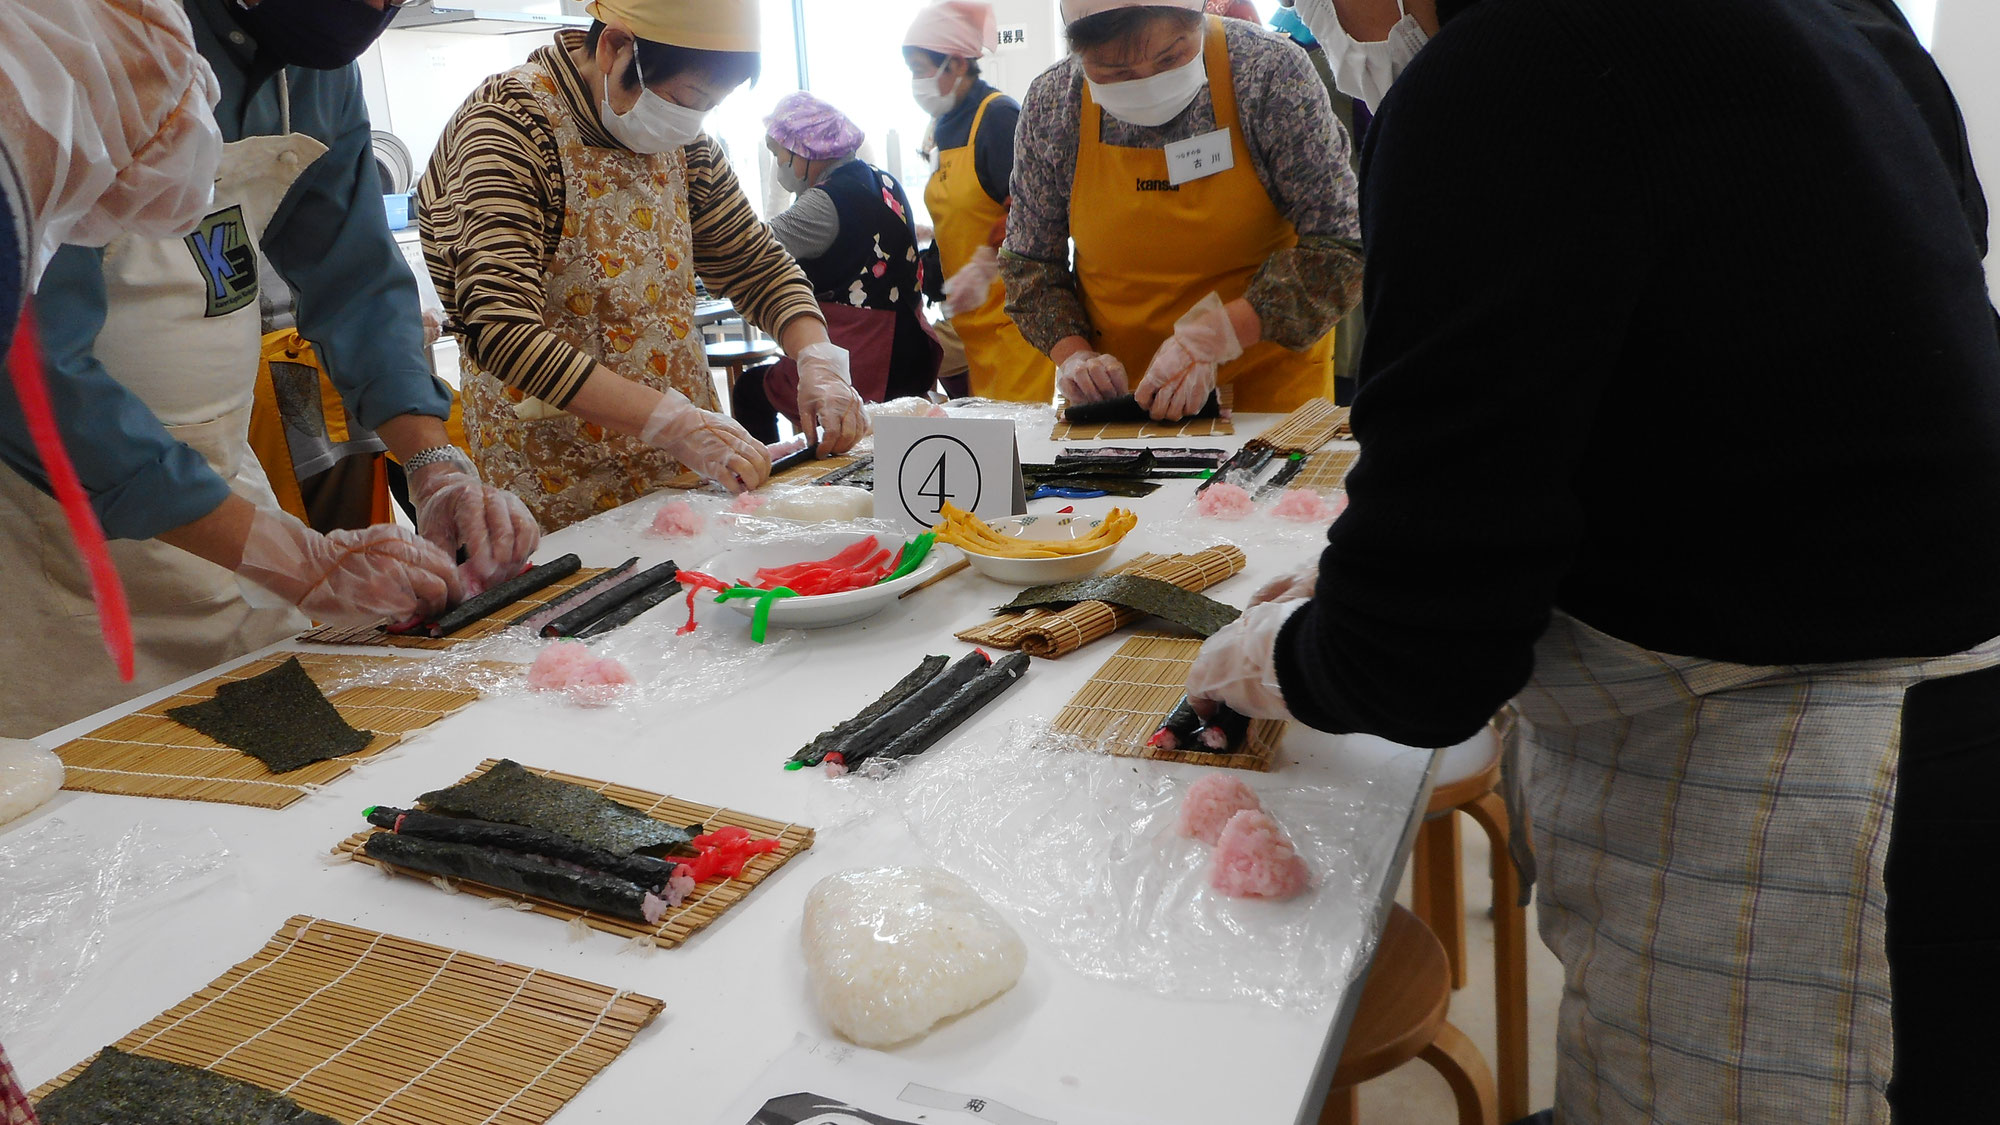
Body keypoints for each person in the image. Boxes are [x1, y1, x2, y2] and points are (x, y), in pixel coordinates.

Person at [1184, 0, 2000, 1119]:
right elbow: (1737, 367)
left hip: (1810, 806)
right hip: (1945, 725)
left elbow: (1423, 662)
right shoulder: (1835, 17)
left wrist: (1281, 654)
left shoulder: (1512, 69)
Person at [0, 0, 540, 741]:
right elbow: (32, 365)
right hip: (55, 517)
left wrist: (435, 463)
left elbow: (354, 277)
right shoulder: (95, 37)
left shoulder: (317, 68)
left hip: (226, 487)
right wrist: (286, 553)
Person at [422, 0, 868, 531]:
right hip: (552, 477)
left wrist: (818, 360)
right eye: (688, 99)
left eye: (709, 106)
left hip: (686, 466)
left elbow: (756, 263)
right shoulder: (508, 126)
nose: (693, 121)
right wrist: (671, 423)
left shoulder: (685, 142)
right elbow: (499, 326)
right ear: (615, 47)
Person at [1002, 1, 1363, 420]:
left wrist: (1213, 336)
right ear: (1077, 53)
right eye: (1114, 72)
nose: (1146, 82)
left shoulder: (1269, 74)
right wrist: (1076, 357)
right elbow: (1029, 265)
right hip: (1122, 407)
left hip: (1267, 401)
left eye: (1170, 57)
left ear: (1200, 21)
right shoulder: (1054, 104)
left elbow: (1342, 248)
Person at [735, 91, 940, 442]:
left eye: (778, 155)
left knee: (750, 391)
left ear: (804, 152)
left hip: (865, 354)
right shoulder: (883, 180)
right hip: (916, 346)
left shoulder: (824, 202)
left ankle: (770, 486)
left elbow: (749, 250)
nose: (778, 166)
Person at [903, 0, 1051, 403]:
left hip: (1015, 325)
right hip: (974, 332)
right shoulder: (943, 126)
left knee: (1022, 454)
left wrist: (985, 264)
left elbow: (1029, 210)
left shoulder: (999, 118)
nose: (915, 82)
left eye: (920, 69)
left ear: (956, 64)